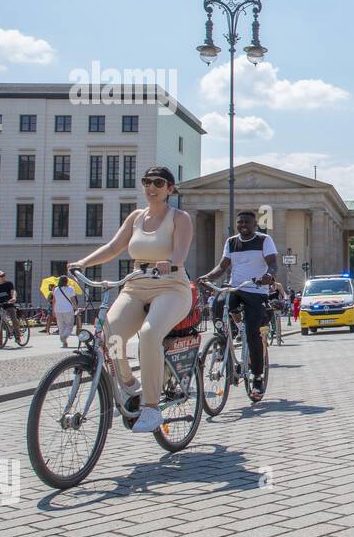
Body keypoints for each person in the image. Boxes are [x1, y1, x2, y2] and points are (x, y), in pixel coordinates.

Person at [68, 166, 194, 432]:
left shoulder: (179, 218)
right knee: (109, 332)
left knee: (149, 335)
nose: (151, 187)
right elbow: (113, 247)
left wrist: (170, 263)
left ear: (170, 189)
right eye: (147, 181)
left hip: (171, 286)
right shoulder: (136, 217)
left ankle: (151, 408)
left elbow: (181, 252)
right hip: (136, 285)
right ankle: (129, 386)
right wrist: (83, 262)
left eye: (158, 183)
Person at [199, 209, 276, 400]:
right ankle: (222, 338)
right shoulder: (231, 242)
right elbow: (222, 266)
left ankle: (257, 376)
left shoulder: (264, 240)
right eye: (240, 222)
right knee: (218, 302)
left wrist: (268, 276)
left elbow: (273, 264)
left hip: (256, 290)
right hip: (236, 287)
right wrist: (208, 276)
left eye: (247, 223)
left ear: (255, 224)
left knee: (252, 333)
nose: (243, 226)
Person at [51, 275, 80, 347]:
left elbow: (54, 301)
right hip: (68, 309)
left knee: (61, 326)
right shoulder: (71, 289)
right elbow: (73, 300)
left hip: (58, 310)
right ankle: (64, 337)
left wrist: (53, 310)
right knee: (69, 325)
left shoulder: (55, 289)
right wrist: (76, 308)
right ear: (66, 281)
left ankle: (64, 342)